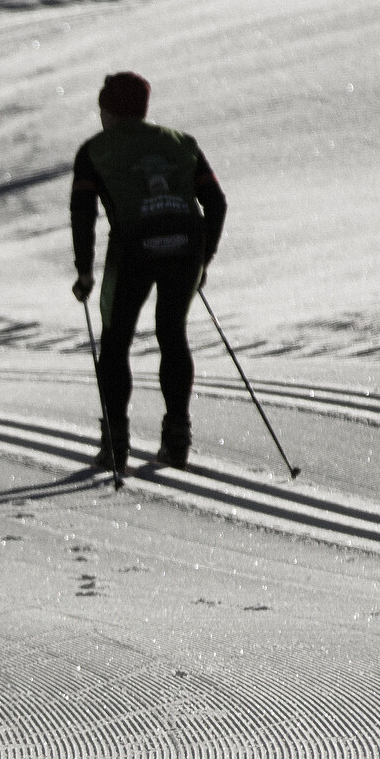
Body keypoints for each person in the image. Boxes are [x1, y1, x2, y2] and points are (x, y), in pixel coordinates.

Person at [71, 71, 228, 472]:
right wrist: (204, 258)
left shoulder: (93, 151)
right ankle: (177, 440)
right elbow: (216, 203)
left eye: (102, 108)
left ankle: (116, 444)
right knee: (172, 334)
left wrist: (85, 271)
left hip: (133, 246)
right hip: (186, 244)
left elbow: (83, 213)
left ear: (109, 110)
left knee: (116, 339)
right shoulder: (182, 143)